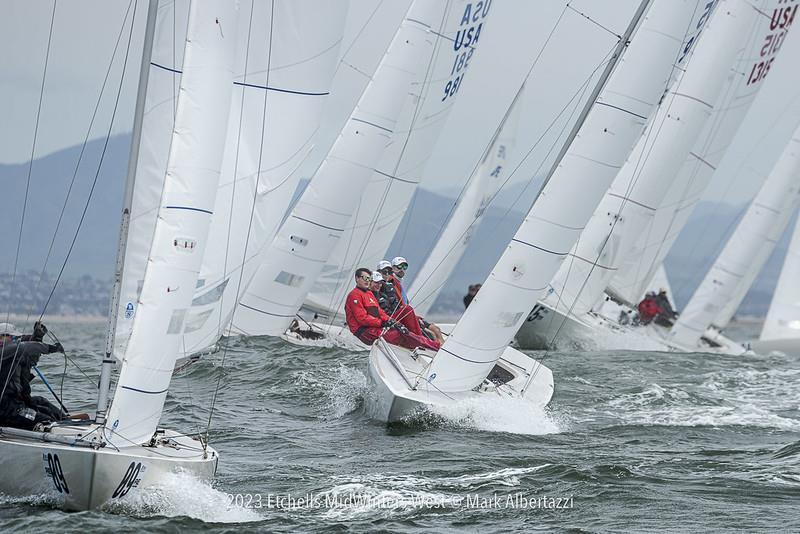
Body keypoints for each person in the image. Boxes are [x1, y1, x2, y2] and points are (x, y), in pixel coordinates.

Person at [344, 268, 440, 351]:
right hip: (366, 332)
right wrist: (384, 323)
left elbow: (380, 312)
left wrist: (392, 321)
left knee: (407, 309)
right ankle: (433, 346)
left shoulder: (369, 293)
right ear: (357, 278)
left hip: (377, 326)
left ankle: (421, 341)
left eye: (369, 278)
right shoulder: (354, 295)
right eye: (365, 278)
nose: (367, 281)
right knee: (399, 334)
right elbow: (362, 319)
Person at [0, 322, 66, 430]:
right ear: (1, 337)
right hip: (7, 410)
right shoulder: (4, 351)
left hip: (16, 403)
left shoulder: (13, 353)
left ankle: (66, 420)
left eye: (16, 338)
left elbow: (31, 357)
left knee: (41, 402)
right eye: (13, 337)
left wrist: (37, 337)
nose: (16, 340)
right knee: (45, 420)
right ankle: (57, 427)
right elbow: (26, 346)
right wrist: (52, 348)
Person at [383, 258, 445, 344]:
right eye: (399, 267)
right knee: (431, 334)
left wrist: (418, 318)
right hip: (402, 318)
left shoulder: (399, 282)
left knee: (436, 329)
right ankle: (437, 349)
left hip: (410, 315)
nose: (402, 269)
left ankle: (443, 350)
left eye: (404, 267)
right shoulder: (391, 281)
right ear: (392, 268)